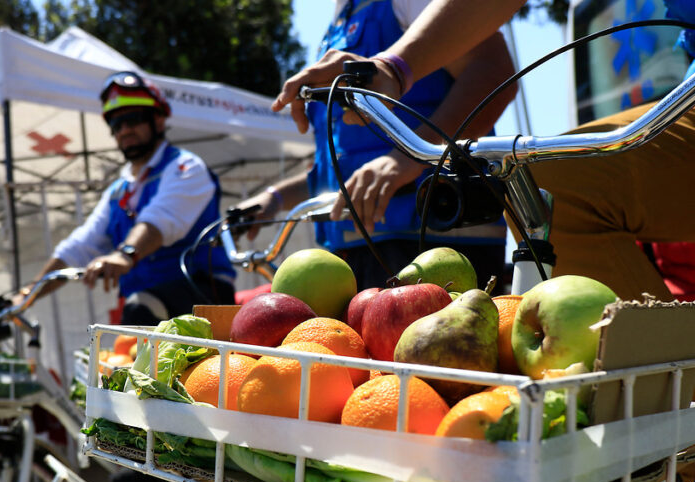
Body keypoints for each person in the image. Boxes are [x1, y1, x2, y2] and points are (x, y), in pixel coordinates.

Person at [273, 0, 695, 302]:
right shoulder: (342, 17)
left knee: (542, 184)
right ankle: (667, 377)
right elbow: (335, 157)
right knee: (543, 184)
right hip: (358, 234)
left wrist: (406, 148)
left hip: (428, 225)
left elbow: (494, 70)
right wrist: (274, 197)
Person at [239, 0, 518, 290]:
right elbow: (349, 167)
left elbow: (493, 71)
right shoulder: (338, 24)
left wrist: (405, 159)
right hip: (357, 250)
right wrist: (277, 197)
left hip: (434, 241)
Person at [20, 71, 236, 324]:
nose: (124, 130)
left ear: (158, 120)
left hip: (203, 299)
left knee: (138, 312)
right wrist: (26, 295)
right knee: (122, 336)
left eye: (132, 119)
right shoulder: (118, 191)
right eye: (116, 125)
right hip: (150, 305)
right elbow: (80, 245)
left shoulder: (185, 167)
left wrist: (125, 254)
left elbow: (159, 220)